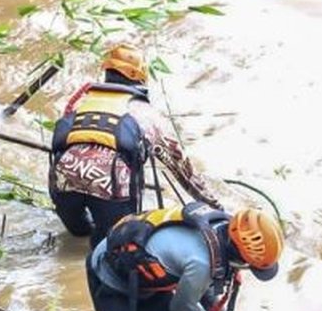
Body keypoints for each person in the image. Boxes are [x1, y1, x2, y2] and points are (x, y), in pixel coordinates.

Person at [49, 43, 220, 246]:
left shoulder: (82, 100)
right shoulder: (145, 113)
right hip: (112, 188)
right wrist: (214, 206)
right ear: (140, 76)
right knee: (111, 245)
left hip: (62, 180)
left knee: (78, 233)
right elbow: (180, 167)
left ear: (107, 72)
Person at [86, 203, 283, 311]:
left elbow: (199, 279)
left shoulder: (221, 229)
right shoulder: (201, 262)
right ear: (240, 256)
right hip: (110, 276)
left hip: (149, 281)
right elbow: (181, 307)